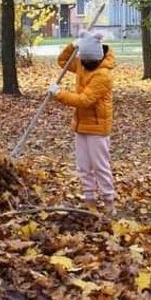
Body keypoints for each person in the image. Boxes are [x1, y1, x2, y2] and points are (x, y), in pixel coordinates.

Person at [49, 30, 117, 214]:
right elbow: (62, 62)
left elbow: (84, 100)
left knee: (100, 166)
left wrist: (59, 94)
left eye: (88, 63)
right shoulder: (83, 63)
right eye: (83, 61)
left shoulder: (102, 75)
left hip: (97, 127)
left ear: (97, 59)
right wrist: (73, 45)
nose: (84, 66)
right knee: (84, 166)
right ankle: (90, 201)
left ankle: (109, 202)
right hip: (81, 125)